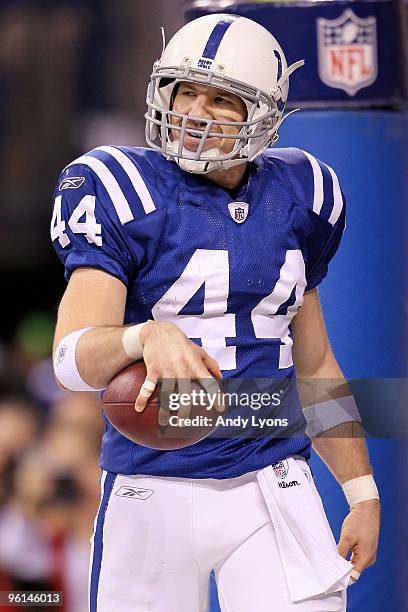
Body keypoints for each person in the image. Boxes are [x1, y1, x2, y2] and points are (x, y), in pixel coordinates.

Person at [50, 14, 380, 612]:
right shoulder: (118, 186)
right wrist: (142, 337)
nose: (197, 110)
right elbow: (71, 360)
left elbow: (316, 366)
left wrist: (362, 492)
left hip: (271, 482)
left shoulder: (304, 195)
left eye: (222, 99)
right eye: (187, 91)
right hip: (149, 488)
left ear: (265, 115)